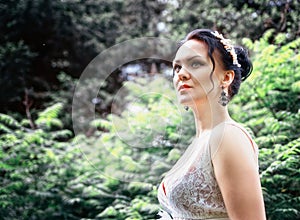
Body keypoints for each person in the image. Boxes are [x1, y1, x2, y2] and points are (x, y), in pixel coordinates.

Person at [157, 29, 266, 220]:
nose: (181, 74)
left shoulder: (227, 136)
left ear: (226, 77)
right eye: (177, 67)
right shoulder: (201, 141)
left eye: (195, 63)